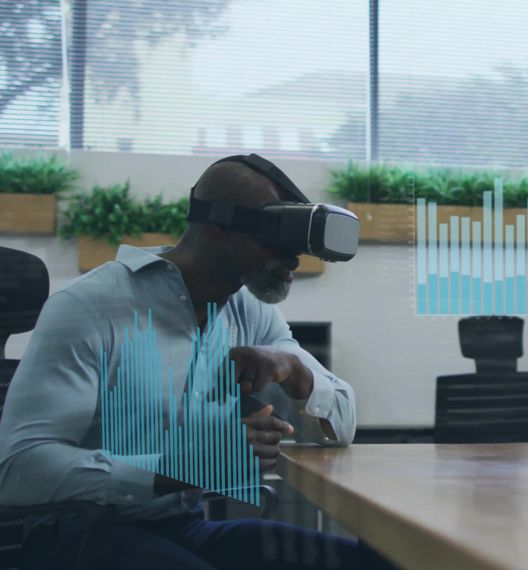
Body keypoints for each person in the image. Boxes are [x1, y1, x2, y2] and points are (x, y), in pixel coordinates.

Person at [0, 159, 396, 568]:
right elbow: (17, 469)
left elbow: (343, 423)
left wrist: (296, 371)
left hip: (182, 527)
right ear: (218, 225)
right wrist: (185, 465)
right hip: (79, 535)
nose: (292, 260)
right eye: (275, 237)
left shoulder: (250, 312)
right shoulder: (92, 306)